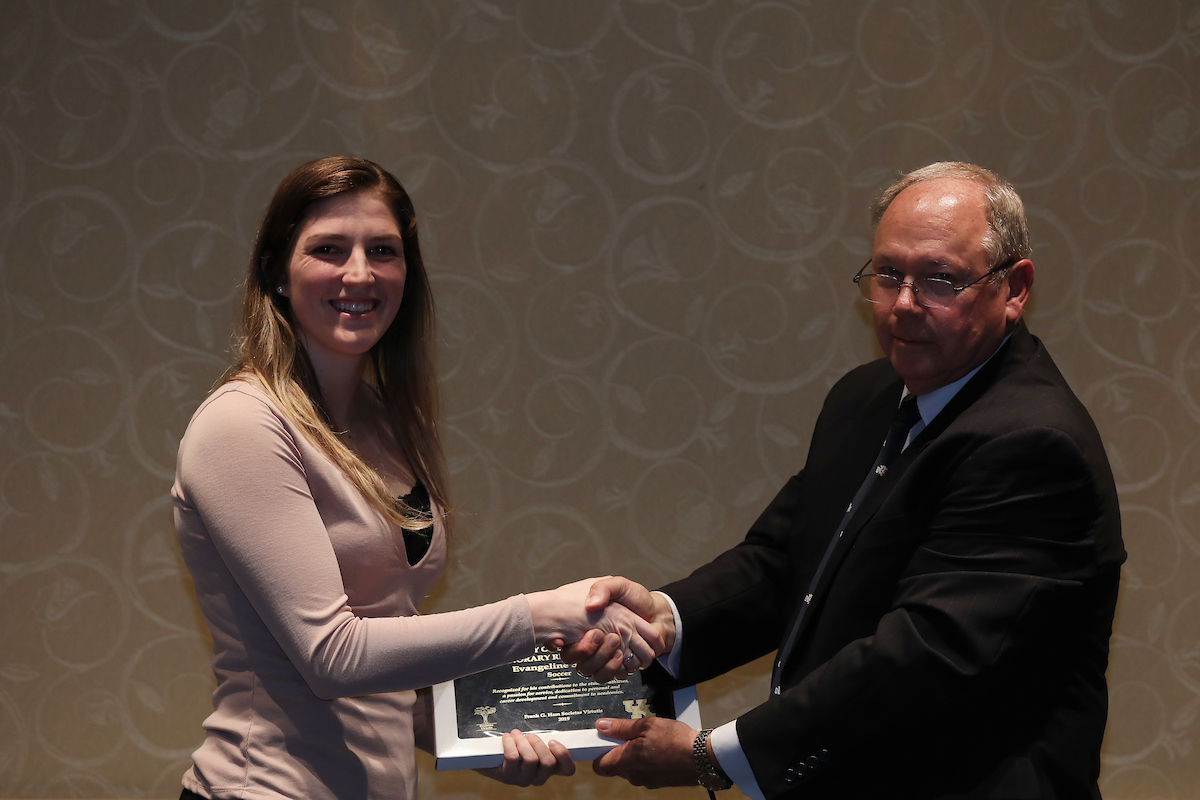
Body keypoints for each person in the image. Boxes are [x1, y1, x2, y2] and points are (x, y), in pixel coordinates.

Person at [564, 162, 1125, 799]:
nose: (906, 304)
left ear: (1014, 287)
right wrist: (664, 619)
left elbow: (922, 655)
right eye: (889, 275)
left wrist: (713, 754)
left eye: (940, 279)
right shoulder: (866, 397)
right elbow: (783, 561)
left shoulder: (1032, 444)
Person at [171, 156, 660, 800]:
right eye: (327, 249)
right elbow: (332, 657)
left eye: (382, 250)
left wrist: (472, 735)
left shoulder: (388, 418)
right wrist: (543, 615)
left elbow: (382, 656)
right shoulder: (242, 425)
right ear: (276, 273)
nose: (359, 273)